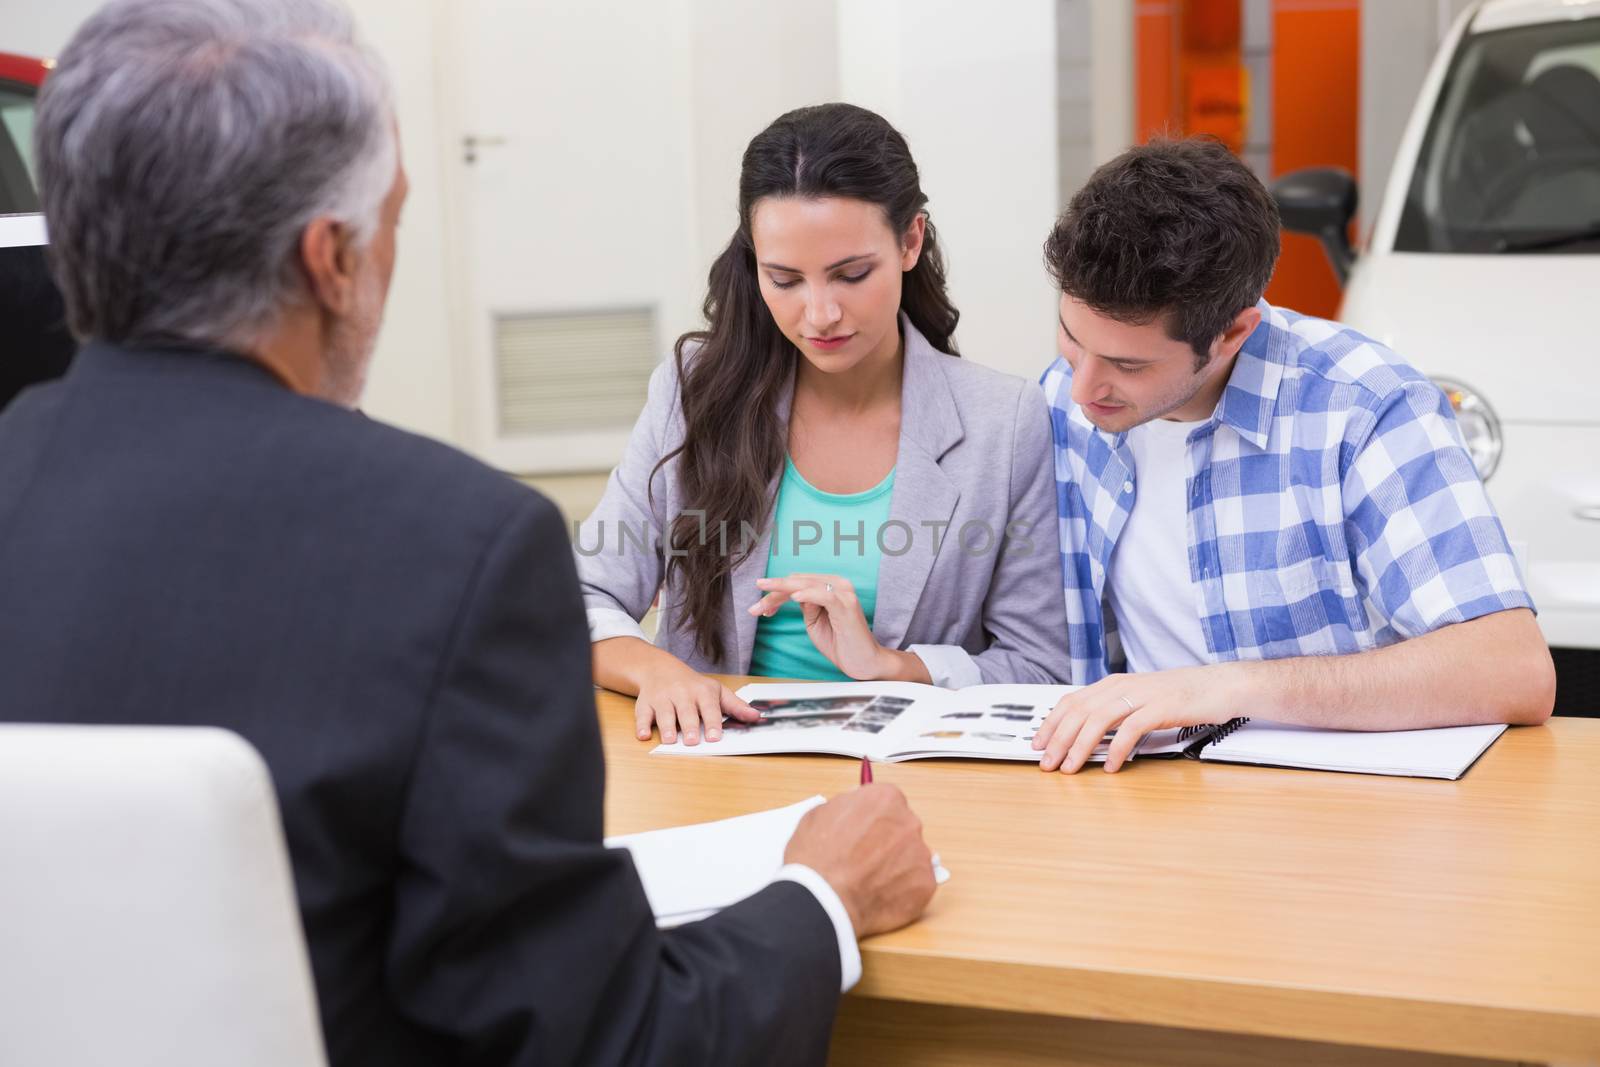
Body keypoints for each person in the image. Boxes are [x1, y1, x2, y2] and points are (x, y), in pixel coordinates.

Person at [0, 2, 937, 1064]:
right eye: (393, 214)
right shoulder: (458, 551)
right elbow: (599, 1040)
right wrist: (821, 896)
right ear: (331, 259)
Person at [1030, 138, 1556, 774]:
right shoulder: (1062, 396)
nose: (1082, 387)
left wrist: (1219, 688)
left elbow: (1512, 667)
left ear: (1232, 334)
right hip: (1135, 793)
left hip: (1334, 813)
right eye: (1071, 336)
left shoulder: (1366, 406)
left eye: (1127, 364)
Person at [578, 103, 1071, 747]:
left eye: (851, 274)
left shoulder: (1002, 422)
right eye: (784, 279)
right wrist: (658, 671)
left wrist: (897, 668)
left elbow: (1042, 664)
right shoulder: (694, 389)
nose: (819, 314)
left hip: (915, 781)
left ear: (910, 241)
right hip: (716, 768)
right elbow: (578, 599)